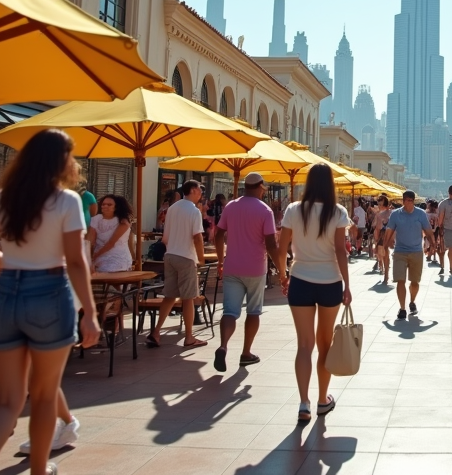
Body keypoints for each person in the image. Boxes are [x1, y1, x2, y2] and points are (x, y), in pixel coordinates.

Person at [0, 129, 99, 475]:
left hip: (8, 293)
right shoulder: (67, 201)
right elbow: (75, 261)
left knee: (7, 400)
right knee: (43, 395)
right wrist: (90, 312)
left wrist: (11, 265)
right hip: (50, 293)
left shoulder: (6, 198)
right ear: (61, 161)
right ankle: (39, 470)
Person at [277, 163, 352, 422]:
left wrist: (282, 274)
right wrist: (348, 285)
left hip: (300, 280)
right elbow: (341, 251)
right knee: (325, 345)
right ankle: (323, 399)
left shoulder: (294, 210)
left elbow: (281, 246)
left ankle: (303, 403)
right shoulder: (338, 212)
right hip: (330, 281)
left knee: (304, 345)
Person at [213, 173, 283, 372]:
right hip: (255, 268)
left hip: (232, 266)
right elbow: (270, 243)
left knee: (230, 312)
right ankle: (246, 353)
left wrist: (220, 259)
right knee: (253, 311)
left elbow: (218, 234)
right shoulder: (265, 210)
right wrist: (281, 270)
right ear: (260, 187)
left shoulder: (231, 206)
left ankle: (223, 346)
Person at [147, 180, 207, 349]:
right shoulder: (194, 211)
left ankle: (156, 331)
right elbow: (197, 237)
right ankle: (189, 337)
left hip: (170, 255)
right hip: (186, 256)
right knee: (188, 298)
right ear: (194, 190)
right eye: (200, 191)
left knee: (170, 296)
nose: (201, 194)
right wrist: (200, 258)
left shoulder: (172, 208)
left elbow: (165, 238)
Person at [384, 190, 436, 320]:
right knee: (400, 280)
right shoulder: (396, 214)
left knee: (415, 282)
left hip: (416, 252)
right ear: (403, 201)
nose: (409, 203)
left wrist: (433, 244)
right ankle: (402, 308)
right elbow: (389, 231)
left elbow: (428, 230)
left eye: (412, 201)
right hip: (400, 251)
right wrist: (384, 246)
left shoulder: (420, 214)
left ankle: (412, 301)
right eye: (407, 200)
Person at [86, 195, 133, 273]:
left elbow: (111, 243)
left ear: (116, 207)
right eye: (103, 204)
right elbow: (91, 241)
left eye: (109, 204)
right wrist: (89, 257)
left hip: (118, 257)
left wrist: (94, 256)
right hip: (98, 256)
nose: (105, 206)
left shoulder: (123, 222)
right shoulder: (96, 219)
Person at [372, 195, 392, 285]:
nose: (379, 204)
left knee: (385, 255)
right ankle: (385, 272)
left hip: (386, 236)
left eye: (381, 202)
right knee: (383, 255)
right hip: (382, 236)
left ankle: (386, 275)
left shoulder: (389, 213)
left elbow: (377, 227)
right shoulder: (379, 214)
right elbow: (376, 228)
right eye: (379, 202)